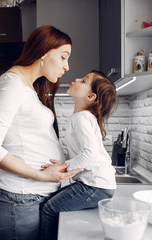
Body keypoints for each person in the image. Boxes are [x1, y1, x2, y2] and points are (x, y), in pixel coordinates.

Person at [0, 25, 81, 240]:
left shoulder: (29, 88)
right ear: (44, 52)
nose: (67, 66)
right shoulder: (11, 85)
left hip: (28, 199)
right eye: (63, 57)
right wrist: (42, 175)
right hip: (16, 199)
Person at [40, 70, 118, 240]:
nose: (76, 79)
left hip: (95, 187)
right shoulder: (83, 117)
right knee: (52, 202)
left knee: (48, 208)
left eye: (83, 80)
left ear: (91, 96)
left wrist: (63, 167)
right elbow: (82, 152)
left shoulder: (81, 118)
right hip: (99, 186)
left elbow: (89, 154)